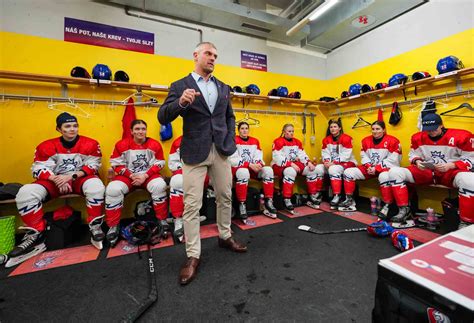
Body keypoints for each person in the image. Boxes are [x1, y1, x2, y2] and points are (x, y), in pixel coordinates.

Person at [158, 41, 247, 286]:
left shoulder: (223, 87)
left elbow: (230, 117)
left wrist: (230, 139)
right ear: (196, 55)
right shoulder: (180, 85)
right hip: (194, 152)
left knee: (225, 196)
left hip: (221, 150)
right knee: (192, 205)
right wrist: (181, 103)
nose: (212, 58)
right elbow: (163, 115)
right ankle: (193, 255)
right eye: (208, 53)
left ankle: (225, 235)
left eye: (216, 55)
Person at [9, 112, 105, 266]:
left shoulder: (90, 143)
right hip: (55, 180)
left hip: (78, 178)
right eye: (67, 126)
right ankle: (35, 235)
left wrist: (71, 176)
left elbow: (93, 165)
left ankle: (95, 226)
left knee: (96, 187)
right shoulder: (46, 146)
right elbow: (38, 168)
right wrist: (56, 179)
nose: (72, 129)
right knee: (26, 193)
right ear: (59, 129)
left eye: (75, 125)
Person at [388, 113, 473, 228]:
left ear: (441, 125)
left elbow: (471, 158)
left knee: (469, 179)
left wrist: (452, 165)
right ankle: (404, 210)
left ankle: (466, 222)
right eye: (428, 130)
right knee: (394, 172)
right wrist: (417, 161)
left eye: (434, 129)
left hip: (449, 173)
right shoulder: (418, 137)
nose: (431, 132)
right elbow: (413, 155)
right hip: (427, 171)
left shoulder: (462, 136)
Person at [104, 119, 168, 247]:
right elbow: (116, 164)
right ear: (131, 131)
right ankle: (113, 226)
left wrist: (145, 175)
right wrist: (131, 175)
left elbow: (160, 162)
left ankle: (162, 220)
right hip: (129, 176)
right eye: (137, 129)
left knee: (159, 185)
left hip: (147, 175)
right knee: (112, 189)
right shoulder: (121, 144)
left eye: (143, 129)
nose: (140, 131)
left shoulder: (154, 144)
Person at [339, 121, 401, 215]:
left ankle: (388, 205)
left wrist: (377, 168)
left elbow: (394, 160)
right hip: (370, 168)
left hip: (386, 169)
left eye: (378, 129)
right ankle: (350, 201)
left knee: (384, 176)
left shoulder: (393, 141)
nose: (375, 131)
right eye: (373, 129)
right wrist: (369, 166)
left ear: (384, 130)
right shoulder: (365, 141)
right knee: (348, 172)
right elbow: (364, 156)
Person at [230, 122, 277, 221]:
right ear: (238, 130)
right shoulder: (234, 140)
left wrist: (258, 164)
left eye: (246, 128)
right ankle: (242, 204)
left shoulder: (255, 141)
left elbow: (258, 156)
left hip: (252, 168)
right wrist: (249, 165)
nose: (244, 130)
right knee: (244, 172)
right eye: (242, 128)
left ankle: (268, 201)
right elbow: (233, 159)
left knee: (268, 170)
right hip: (239, 169)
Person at [168, 135, 210, 242]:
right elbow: (173, 164)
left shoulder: (206, 139)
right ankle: (178, 219)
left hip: (202, 171)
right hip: (184, 171)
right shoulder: (178, 142)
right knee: (177, 180)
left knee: (217, 179)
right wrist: (188, 171)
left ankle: (194, 214)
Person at [271, 123, 318, 211]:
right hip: (279, 165)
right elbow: (277, 157)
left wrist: (308, 162)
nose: (291, 133)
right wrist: (291, 164)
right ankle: (287, 199)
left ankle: (312, 196)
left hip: (294, 164)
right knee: (290, 171)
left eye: (292, 131)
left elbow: (302, 154)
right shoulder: (278, 141)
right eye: (289, 131)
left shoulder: (297, 142)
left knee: (312, 170)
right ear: (284, 132)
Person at [314, 119, 357, 210]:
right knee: (318, 168)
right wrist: (326, 162)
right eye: (331, 127)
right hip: (331, 163)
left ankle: (336, 195)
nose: (333, 129)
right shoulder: (326, 140)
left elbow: (346, 155)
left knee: (333, 169)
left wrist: (332, 163)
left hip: (348, 163)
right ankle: (318, 193)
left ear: (339, 128)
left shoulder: (347, 138)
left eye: (335, 127)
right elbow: (325, 153)